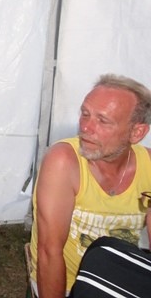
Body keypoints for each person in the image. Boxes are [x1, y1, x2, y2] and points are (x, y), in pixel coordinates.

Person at [29, 74, 151, 298]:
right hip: (68, 282)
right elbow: (49, 252)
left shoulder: (149, 166)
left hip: (121, 276)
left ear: (137, 133)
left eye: (103, 121)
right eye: (85, 114)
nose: (86, 127)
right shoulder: (64, 161)